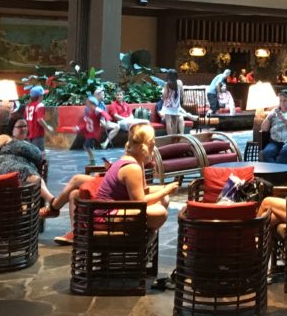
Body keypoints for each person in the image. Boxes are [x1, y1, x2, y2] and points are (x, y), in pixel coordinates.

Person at [43, 124, 178, 244]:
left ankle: (142, 234)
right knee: (160, 213)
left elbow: (144, 191)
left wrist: (163, 190)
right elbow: (139, 202)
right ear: (145, 145)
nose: (155, 142)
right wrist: (165, 190)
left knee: (163, 199)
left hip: (116, 208)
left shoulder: (137, 162)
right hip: (106, 216)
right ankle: (140, 238)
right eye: (152, 140)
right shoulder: (133, 168)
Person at [0, 118, 55, 205]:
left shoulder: (30, 144)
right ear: (12, 128)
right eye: (20, 127)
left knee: (32, 175)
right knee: (26, 172)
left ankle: (51, 202)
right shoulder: (5, 138)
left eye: (25, 126)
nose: (23, 129)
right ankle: (52, 201)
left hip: (26, 170)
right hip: (2, 166)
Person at [159, 69, 191, 136]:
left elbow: (165, 96)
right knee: (175, 122)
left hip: (168, 105)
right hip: (176, 105)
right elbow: (182, 93)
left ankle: (169, 137)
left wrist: (163, 97)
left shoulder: (167, 84)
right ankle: (174, 137)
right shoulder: (179, 82)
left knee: (168, 121)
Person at [23, 86, 53, 151]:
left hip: (29, 134)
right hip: (38, 134)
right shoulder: (40, 105)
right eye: (42, 95)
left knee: (31, 153)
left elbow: (25, 119)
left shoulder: (28, 106)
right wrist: (47, 127)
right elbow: (40, 119)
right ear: (40, 96)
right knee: (39, 154)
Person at [76, 99, 104, 165]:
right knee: (87, 147)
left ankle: (92, 161)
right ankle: (92, 160)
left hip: (93, 134)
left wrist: (102, 119)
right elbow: (85, 122)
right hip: (89, 133)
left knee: (87, 146)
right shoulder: (87, 111)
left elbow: (101, 115)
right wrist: (79, 128)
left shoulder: (96, 111)